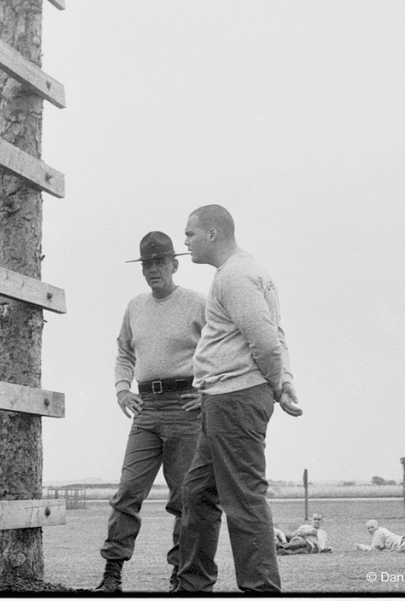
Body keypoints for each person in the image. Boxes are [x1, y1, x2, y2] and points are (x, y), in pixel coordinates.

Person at [175, 205, 303, 593]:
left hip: (235, 398)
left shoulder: (234, 276)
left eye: (190, 234)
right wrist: (284, 382)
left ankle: (261, 589)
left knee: (243, 501)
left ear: (213, 233)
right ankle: (192, 585)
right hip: (221, 398)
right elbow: (274, 334)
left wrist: (279, 384)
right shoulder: (246, 273)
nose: (185, 242)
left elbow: (265, 339)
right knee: (197, 494)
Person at [93, 232, 208, 593]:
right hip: (145, 408)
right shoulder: (136, 306)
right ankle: (112, 575)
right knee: (128, 492)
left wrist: (207, 392)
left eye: (160, 262)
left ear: (175, 264)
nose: (153, 269)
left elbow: (221, 346)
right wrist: (121, 389)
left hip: (185, 407)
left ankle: (180, 576)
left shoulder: (196, 303)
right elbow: (124, 352)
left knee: (184, 498)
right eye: (147, 264)